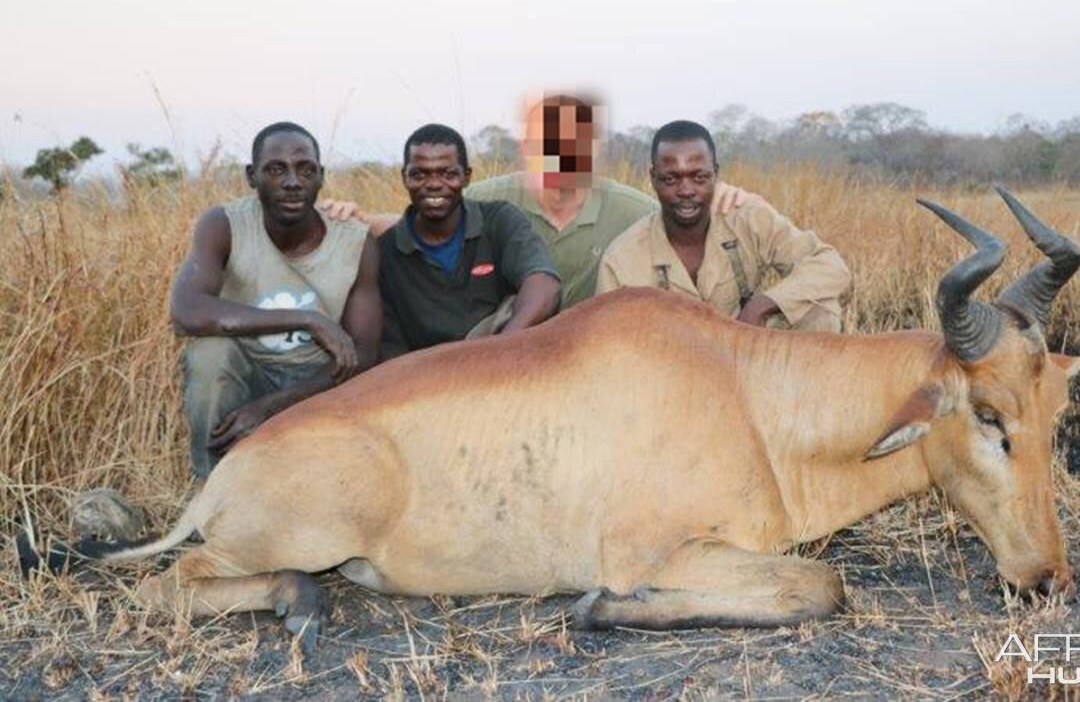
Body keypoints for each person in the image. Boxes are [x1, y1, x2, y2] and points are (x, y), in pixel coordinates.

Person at [320, 94, 758, 307]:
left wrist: (727, 196)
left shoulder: (632, 208)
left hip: (596, 355)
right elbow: (427, 214)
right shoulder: (496, 197)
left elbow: (685, 208)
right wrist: (355, 216)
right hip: (518, 347)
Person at [170, 121, 382, 478]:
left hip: (318, 381)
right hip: (249, 371)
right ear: (252, 176)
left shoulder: (356, 242)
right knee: (208, 354)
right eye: (275, 169)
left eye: (305, 170)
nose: (292, 182)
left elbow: (361, 355)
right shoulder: (223, 224)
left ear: (320, 177)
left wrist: (269, 408)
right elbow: (186, 311)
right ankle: (210, 490)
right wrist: (307, 319)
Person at [596, 120, 852, 330]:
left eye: (699, 177)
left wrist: (760, 307)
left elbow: (830, 265)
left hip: (746, 354)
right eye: (671, 179)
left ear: (715, 173)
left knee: (820, 313)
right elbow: (608, 340)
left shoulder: (746, 216)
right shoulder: (622, 258)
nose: (686, 190)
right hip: (669, 372)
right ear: (653, 178)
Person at [378, 124, 560, 358]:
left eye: (448, 174)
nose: (433, 184)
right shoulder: (384, 252)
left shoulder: (499, 220)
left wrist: (501, 348)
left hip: (506, 360)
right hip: (430, 377)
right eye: (419, 174)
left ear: (467, 177)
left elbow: (544, 284)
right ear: (404, 178)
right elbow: (390, 348)